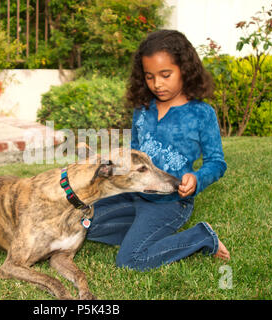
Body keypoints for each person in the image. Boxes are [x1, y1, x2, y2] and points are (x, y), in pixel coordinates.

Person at [86, 30, 230, 271]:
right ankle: (142, 235)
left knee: (130, 260)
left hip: (170, 202)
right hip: (133, 192)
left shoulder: (202, 114)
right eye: (150, 76)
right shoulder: (143, 109)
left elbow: (217, 162)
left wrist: (197, 178)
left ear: (185, 69)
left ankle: (201, 237)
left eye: (165, 75)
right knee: (83, 223)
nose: (157, 84)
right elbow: (134, 153)